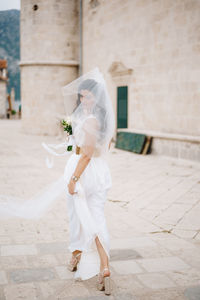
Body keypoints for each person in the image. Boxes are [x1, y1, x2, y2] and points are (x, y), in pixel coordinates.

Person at [62, 68, 115, 295]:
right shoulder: (97, 118)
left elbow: (86, 153)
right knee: (94, 216)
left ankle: (78, 257)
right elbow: (103, 146)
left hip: (85, 172)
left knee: (79, 216)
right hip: (97, 171)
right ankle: (103, 266)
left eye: (89, 96)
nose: (84, 100)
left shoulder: (91, 121)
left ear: (97, 98)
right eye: (82, 96)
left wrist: (74, 178)